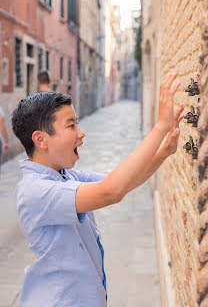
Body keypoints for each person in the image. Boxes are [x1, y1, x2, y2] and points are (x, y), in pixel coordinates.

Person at [11, 73, 184, 307]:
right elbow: (111, 191)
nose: (81, 134)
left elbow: (123, 183)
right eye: (71, 126)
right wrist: (161, 127)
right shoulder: (34, 191)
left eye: (77, 124)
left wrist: (163, 153)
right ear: (41, 140)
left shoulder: (66, 176)